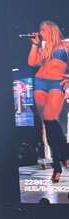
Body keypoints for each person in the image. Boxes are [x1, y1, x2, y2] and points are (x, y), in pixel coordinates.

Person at [28, 21, 69, 182]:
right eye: (40, 30)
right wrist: (35, 44)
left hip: (56, 84)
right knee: (48, 125)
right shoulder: (43, 47)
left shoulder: (65, 45)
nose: (40, 32)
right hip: (40, 83)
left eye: (43, 30)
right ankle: (57, 166)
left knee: (51, 120)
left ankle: (64, 156)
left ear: (52, 30)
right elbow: (32, 63)